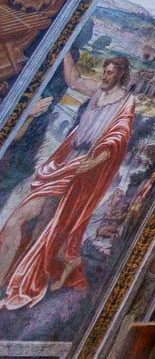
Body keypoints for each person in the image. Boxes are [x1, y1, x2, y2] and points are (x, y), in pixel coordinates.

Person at [0, 53, 136, 310]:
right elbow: (73, 81)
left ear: (120, 74)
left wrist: (94, 162)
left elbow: (119, 137)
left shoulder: (127, 102)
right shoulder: (98, 90)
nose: (105, 76)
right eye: (104, 71)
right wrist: (66, 51)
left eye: (109, 73)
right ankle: (4, 279)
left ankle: (23, 280)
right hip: (66, 162)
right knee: (17, 220)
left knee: (46, 229)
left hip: (83, 170)